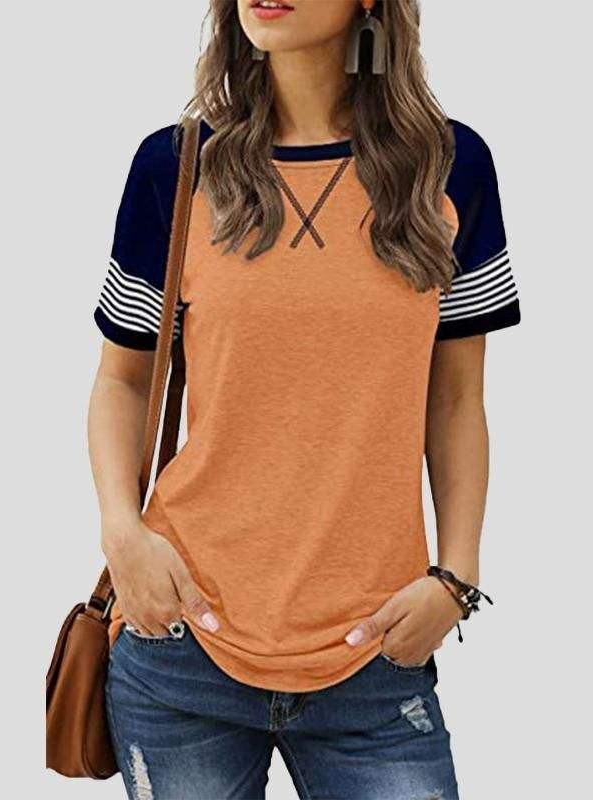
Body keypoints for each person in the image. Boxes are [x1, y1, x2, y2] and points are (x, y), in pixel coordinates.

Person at [88, 1, 520, 798]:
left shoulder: (450, 166)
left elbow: (457, 401)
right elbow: (123, 379)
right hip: (183, 643)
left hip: (375, 653)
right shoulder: (176, 167)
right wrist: (123, 534)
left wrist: (455, 578)